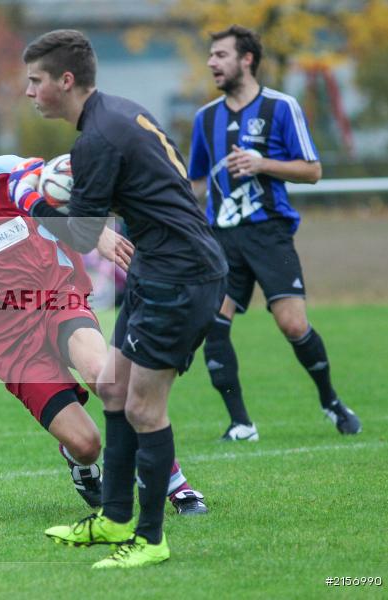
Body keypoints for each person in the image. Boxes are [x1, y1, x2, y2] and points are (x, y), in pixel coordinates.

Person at [0, 125, 210, 540]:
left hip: (57, 297)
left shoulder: (11, 174)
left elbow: (59, 197)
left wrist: (99, 233)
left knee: (108, 379)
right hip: (8, 343)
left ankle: (178, 487)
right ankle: (79, 461)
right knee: (87, 443)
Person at [12, 30, 228, 568]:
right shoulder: (120, 113)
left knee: (142, 408)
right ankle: (113, 517)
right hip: (159, 269)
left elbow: (84, 237)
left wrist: (32, 201)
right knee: (111, 387)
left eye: (35, 81)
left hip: (180, 279)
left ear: (66, 80)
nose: (29, 92)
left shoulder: (96, 140)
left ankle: (151, 540)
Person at [188, 25, 361, 441]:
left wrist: (262, 164)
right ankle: (241, 423)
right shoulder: (205, 117)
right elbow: (195, 182)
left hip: (270, 235)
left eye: (221, 55)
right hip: (222, 239)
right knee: (214, 323)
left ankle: (331, 402)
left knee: (292, 325)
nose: (212, 62)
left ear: (246, 59)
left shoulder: (281, 107)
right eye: (211, 55)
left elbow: (313, 171)